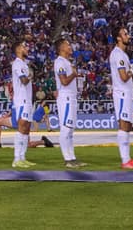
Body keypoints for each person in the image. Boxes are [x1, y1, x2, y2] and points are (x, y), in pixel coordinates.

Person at [110, 25, 133, 169]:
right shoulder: (118, 54)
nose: (128, 36)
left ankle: (128, 158)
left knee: (128, 126)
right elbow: (123, 76)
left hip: (126, 94)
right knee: (123, 126)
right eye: (125, 34)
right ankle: (125, 161)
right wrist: (132, 70)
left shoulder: (123, 54)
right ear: (118, 38)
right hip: (122, 94)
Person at [53, 37, 85, 169]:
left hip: (71, 97)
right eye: (67, 45)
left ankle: (72, 158)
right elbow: (64, 81)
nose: (70, 47)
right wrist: (74, 74)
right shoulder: (60, 62)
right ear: (61, 48)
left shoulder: (66, 62)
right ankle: (67, 159)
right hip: (65, 98)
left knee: (70, 130)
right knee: (66, 128)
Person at [10, 39, 37, 170]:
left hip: (27, 99)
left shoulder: (23, 64)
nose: (27, 49)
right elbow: (24, 80)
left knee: (26, 129)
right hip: (21, 100)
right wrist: (31, 75)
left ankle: (23, 157)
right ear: (18, 49)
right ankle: (17, 159)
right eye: (24, 47)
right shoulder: (17, 64)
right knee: (22, 127)